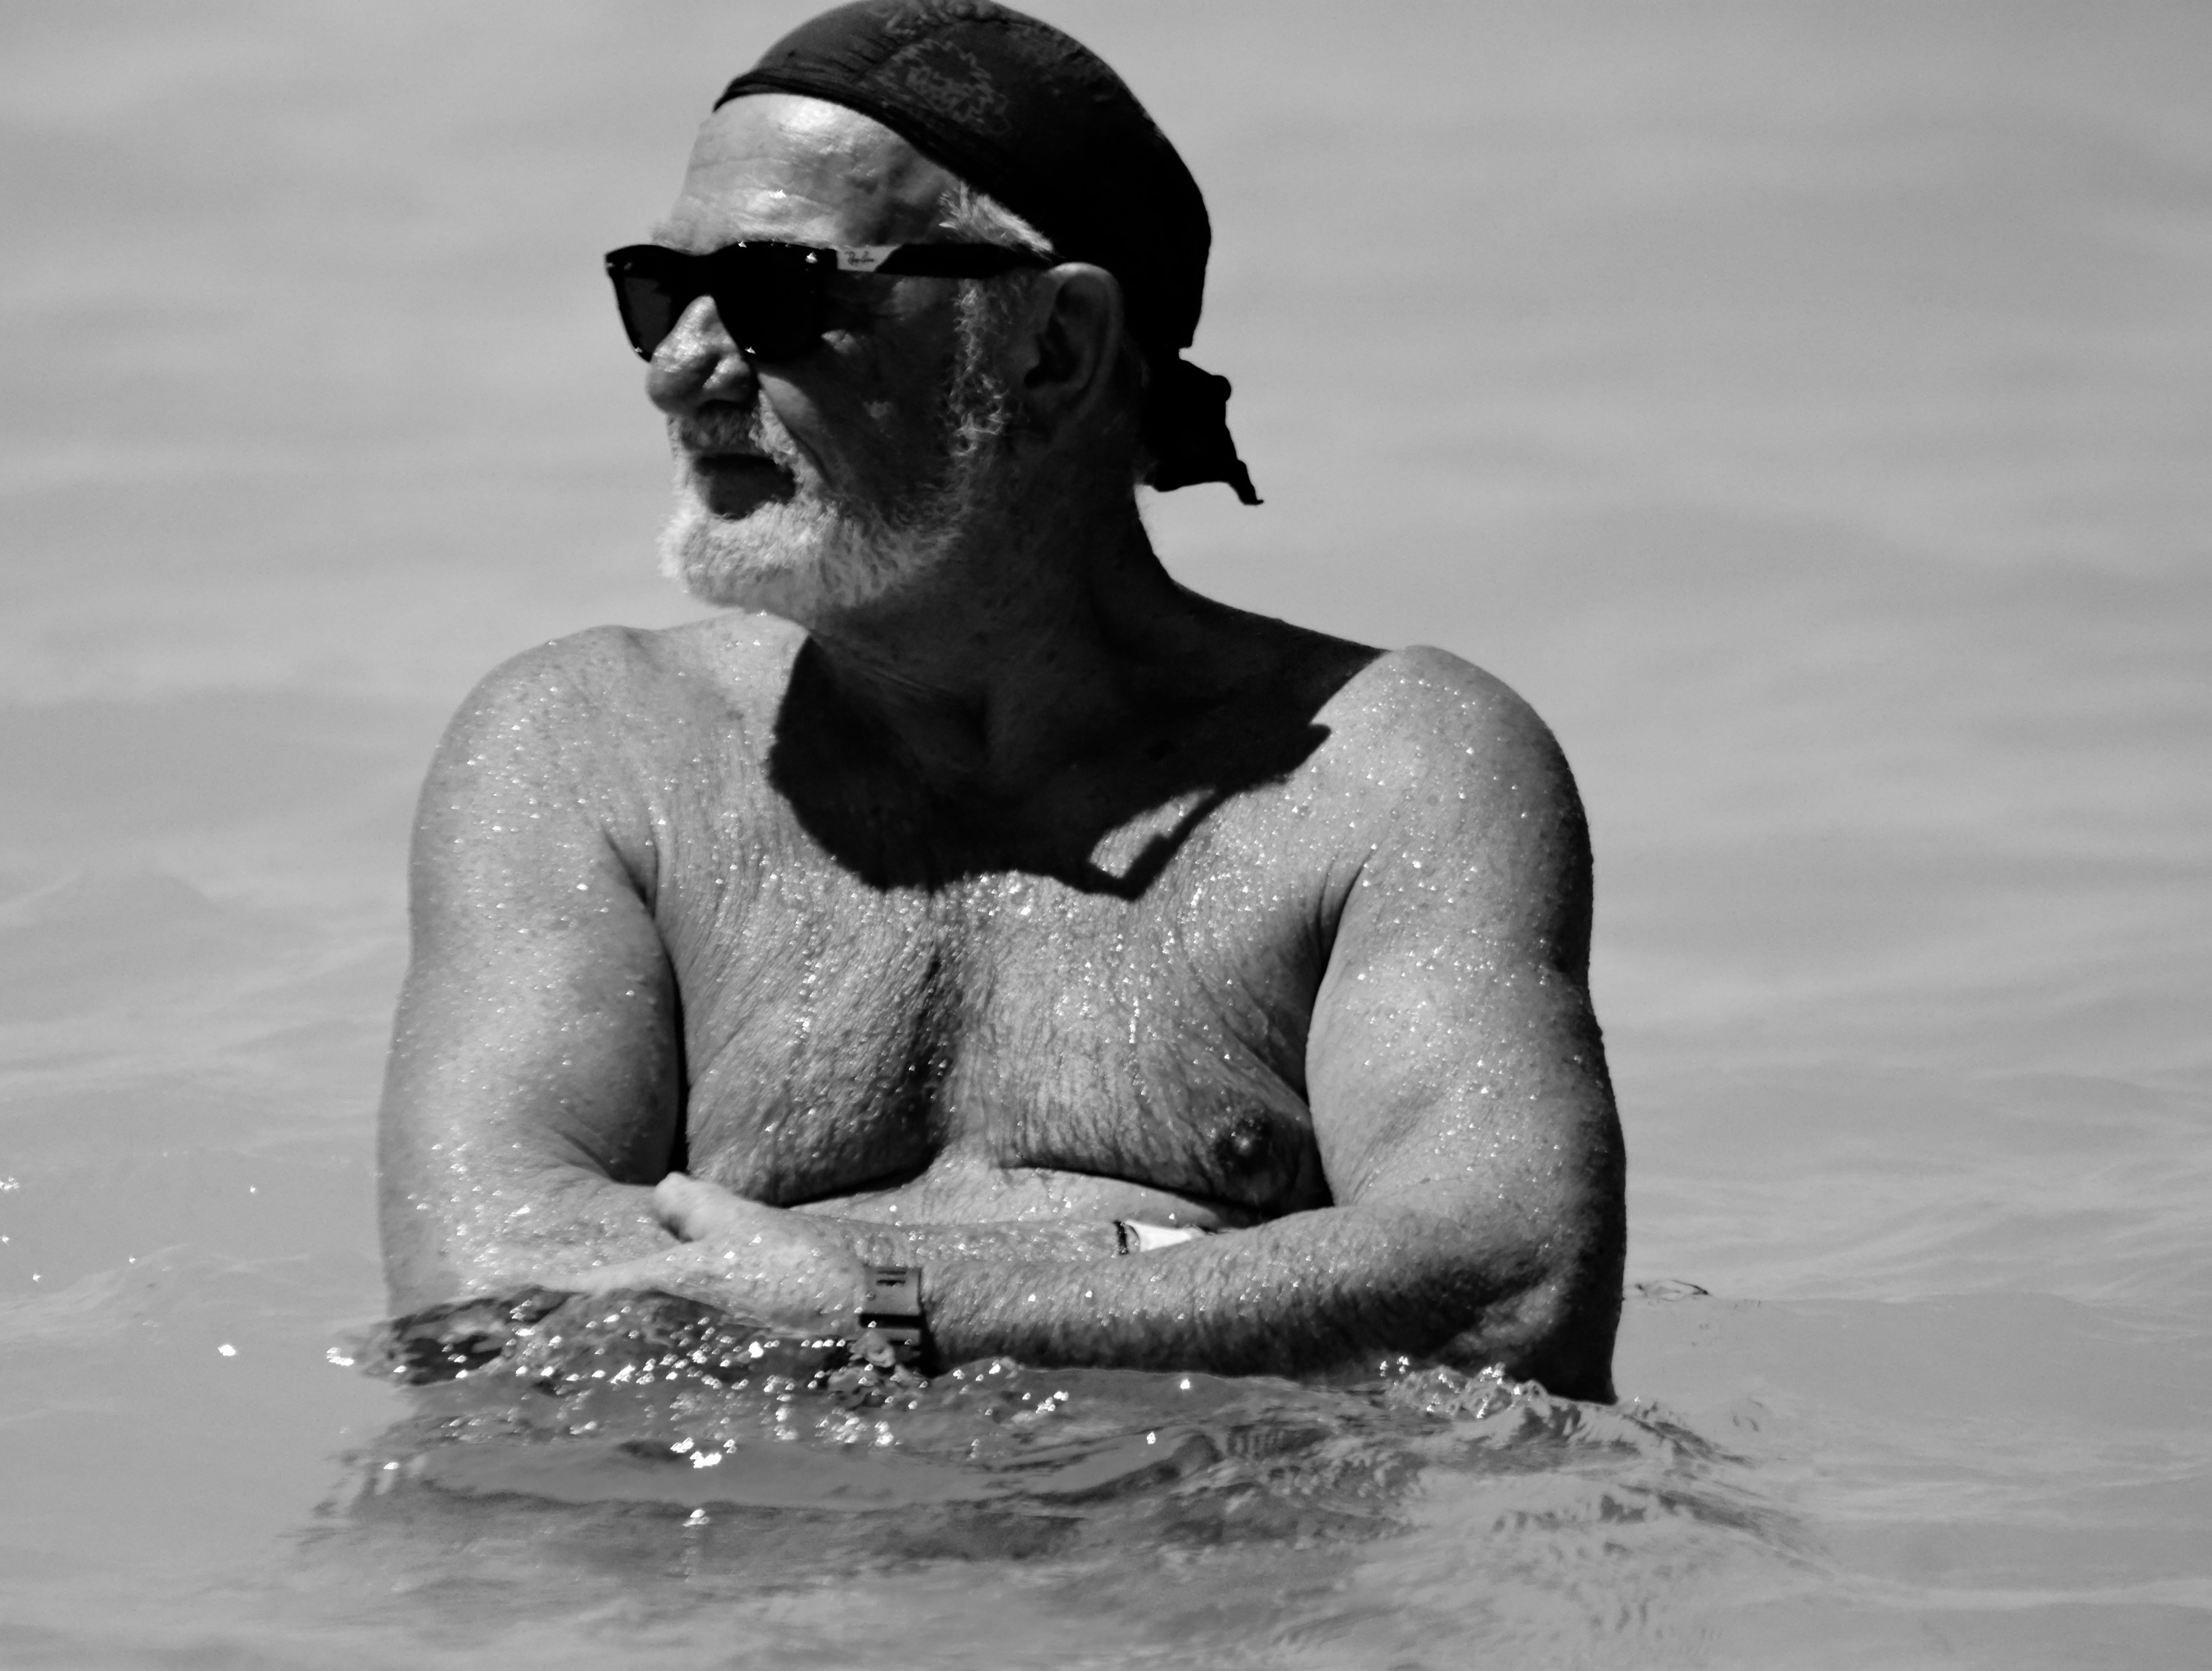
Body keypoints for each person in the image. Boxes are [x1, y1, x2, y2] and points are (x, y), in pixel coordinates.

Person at [375, 0, 1626, 1401]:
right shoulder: (585, 748)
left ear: (1053, 346)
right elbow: (488, 1285)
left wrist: (889, 1301)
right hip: (756, 1596)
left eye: (783, 294)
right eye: (661, 292)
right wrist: (1181, 1272)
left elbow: (1513, 1285)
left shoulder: (1400, 768)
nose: (683, 369)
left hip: (1198, 1595)